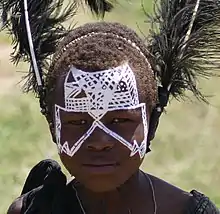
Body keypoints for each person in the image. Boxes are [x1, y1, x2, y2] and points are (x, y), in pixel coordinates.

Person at [1, 0, 220, 213]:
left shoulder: (186, 210)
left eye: (120, 120)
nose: (99, 142)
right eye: (78, 121)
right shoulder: (35, 209)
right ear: (53, 128)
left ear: (151, 124)